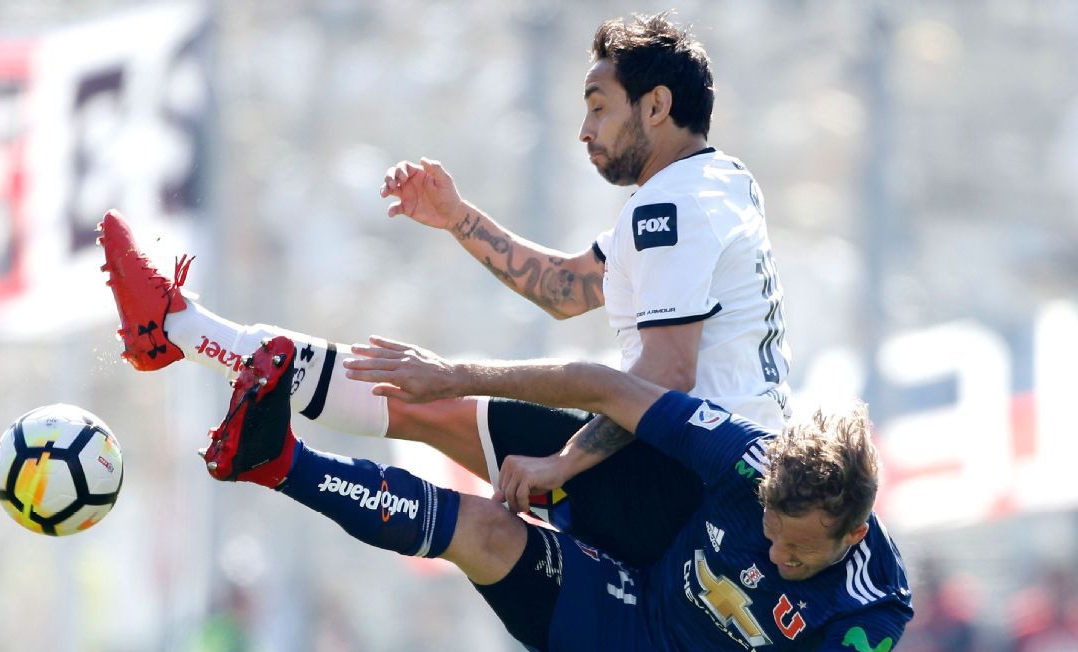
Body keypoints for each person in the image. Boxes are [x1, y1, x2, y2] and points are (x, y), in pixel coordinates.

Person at [97, 12, 791, 567]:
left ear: (658, 106)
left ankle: (182, 333)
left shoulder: (672, 209)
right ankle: (184, 334)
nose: (585, 130)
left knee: (430, 405)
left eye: (600, 107)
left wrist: (564, 461)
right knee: (437, 416)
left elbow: (666, 375)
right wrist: (459, 218)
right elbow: (563, 288)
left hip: (694, 485)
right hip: (719, 476)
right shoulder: (716, 186)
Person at [194, 334, 910, 652]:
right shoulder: (746, 458)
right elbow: (609, 387)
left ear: (850, 535)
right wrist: (455, 374)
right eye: (769, 530)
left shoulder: (876, 595)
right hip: (627, 619)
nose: (775, 553)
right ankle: (277, 461)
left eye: (797, 550)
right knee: (486, 532)